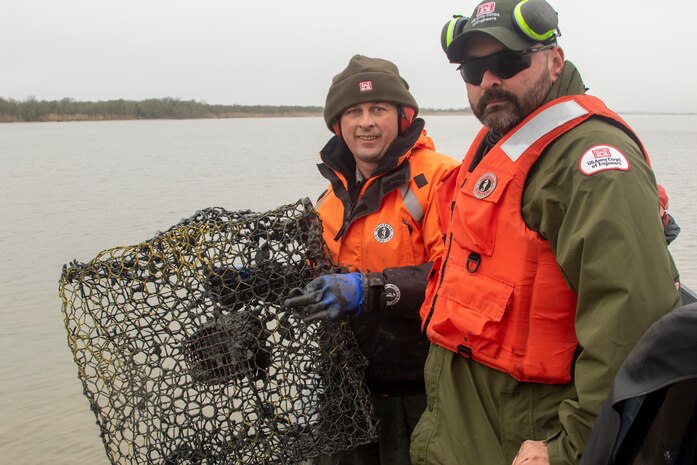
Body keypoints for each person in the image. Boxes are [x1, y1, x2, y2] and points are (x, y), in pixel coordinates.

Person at [407, 1, 682, 464]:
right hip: (469, 424)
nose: (490, 80)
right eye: (474, 69)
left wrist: (570, 448)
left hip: (528, 436)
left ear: (554, 61)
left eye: (509, 62)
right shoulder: (502, 137)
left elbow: (632, 318)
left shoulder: (592, 160)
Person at [282, 55, 458, 465]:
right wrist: (257, 282)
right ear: (337, 125)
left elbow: (455, 276)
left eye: (378, 109)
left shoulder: (442, 179)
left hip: (425, 393)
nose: (366, 122)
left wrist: (372, 289)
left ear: (403, 115)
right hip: (349, 394)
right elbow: (317, 279)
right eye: (354, 112)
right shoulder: (330, 199)